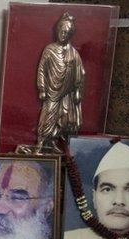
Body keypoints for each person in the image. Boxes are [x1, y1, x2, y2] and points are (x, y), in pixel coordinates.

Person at [35, 12, 85, 153]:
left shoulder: (73, 53)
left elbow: (80, 73)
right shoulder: (49, 49)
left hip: (66, 93)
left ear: (70, 35)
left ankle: (51, 142)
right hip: (52, 92)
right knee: (48, 116)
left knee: (62, 119)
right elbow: (41, 70)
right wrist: (42, 88)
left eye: (66, 33)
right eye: (61, 31)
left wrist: (77, 91)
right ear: (57, 31)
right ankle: (41, 142)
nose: (63, 35)